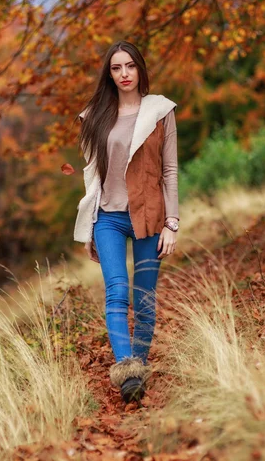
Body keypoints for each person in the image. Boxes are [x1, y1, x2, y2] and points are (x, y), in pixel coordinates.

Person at [74, 40, 179, 403]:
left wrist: (172, 222)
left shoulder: (161, 111)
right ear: (109, 73)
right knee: (116, 292)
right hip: (109, 219)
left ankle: (140, 363)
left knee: (144, 297)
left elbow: (169, 170)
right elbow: (92, 176)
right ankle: (128, 372)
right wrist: (89, 227)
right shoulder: (95, 117)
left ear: (140, 69)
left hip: (149, 216)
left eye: (130, 66)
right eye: (116, 68)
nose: (124, 74)